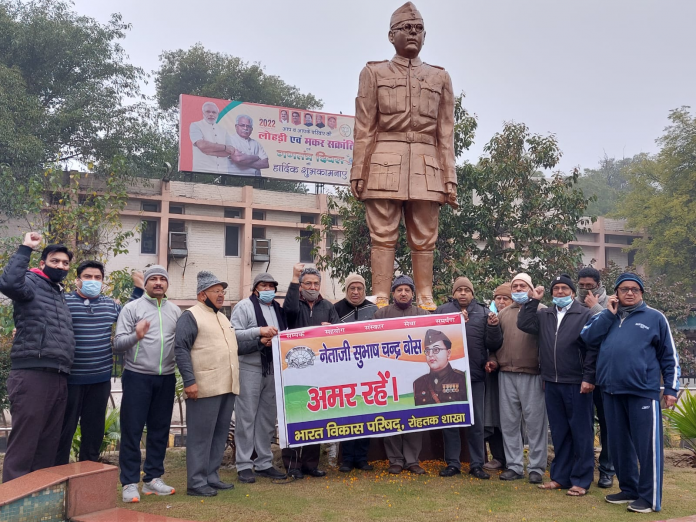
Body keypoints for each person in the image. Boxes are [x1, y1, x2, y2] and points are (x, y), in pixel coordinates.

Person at [350, 2, 456, 311]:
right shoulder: (374, 72)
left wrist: (450, 176)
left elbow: (446, 133)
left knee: (425, 235)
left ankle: (424, 293)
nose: (413, 33)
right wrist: (359, 169)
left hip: (427, 163)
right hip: (384, 158)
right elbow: (364, 126)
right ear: (391, 35)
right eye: (406, 29)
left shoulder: (440, 77)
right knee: (382, 233)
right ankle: (381, 293)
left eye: (419, 29)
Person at [581, 272, 680, 514]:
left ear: (641, 293)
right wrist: (607, 313)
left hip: (643, 392)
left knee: (647, 448)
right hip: (611, 391)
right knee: (618, 444)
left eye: (634, 289)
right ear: (616, 292)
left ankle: (649, 498)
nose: (629, 293)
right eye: (624, 289)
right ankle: (629, 489)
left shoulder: (655, 318)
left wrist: (671, 389)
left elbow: (670, 357)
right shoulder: (608, 317)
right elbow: (586, 337)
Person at [0, 233, 75, 482]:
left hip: (58, 375)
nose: (60, 267)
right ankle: (11, 505)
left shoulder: (59, 294)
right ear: (42, 263)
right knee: (25, 444)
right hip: (32, 373)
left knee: (47, 444)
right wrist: (25, 248)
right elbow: (9, 283)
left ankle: (40, 504)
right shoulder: (31, 282)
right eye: (55, 261)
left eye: (65, 263)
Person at [55, 261, 144, 466]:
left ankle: (89, 474)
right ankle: (58, 474)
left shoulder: (109, 304)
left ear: (103, 281)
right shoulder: (64, 301)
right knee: (63, 431)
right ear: (77, 280)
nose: (92, 281)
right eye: (87, 277)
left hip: (100, 379)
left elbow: (129, 314)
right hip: (70, 378)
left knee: (93, 431)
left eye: (97, 278)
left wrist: (139, 288)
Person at [517, 274, 596, 497]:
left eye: (564, 289)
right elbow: (523, 323)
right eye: (556, 289)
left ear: (572, 292)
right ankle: (560, 477)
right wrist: (533, 300)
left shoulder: (585, 314)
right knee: (560, 433)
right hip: (551, 381)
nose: (560, 292)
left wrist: (589, 377)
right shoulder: (545, 314)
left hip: (577, 382)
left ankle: (581, 480)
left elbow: (592, 349)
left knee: (581, 433)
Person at [114, 265, 181, 503]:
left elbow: (181, 344)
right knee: (132, 430)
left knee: (160, 430)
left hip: (166, 377)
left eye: (163, 279)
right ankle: (130, 483)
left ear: (167, 284)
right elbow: (118, 343)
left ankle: (153, 479)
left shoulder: (175, 310)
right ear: (146, 283)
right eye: (154, 279)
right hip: (137, 376)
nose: (159, 283)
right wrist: (137, 336)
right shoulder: (132, 308)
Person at [174, 272, 239, 497]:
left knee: (219, 434)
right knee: (200, 436)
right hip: (204, 386)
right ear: (202, 295)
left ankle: (211, 476)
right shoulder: (190, 316)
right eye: (216, 291)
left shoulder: (222, 317)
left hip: (226, 385)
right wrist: (189, 381)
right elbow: (181, 349)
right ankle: (196, 482)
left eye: (222, 291)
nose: (221, 295)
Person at [432, 277, 501, 480]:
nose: (463, 293)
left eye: (466, 290)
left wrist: (494, 326)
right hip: (448, 376)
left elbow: (493, 343)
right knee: (451, 420)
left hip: (475, 375)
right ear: (453, 294)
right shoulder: (442, 311)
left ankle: (477, 464)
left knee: (476, 422)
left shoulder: (483, 312)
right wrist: (454, 321)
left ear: (472, 293)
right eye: (459, 290)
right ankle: (453, 463)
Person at [489, 273, 548, 484]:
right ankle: (514, 465)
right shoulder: (502, 314)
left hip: (533, 373)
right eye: (515, 286)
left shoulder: (542, 312)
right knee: (509, 423)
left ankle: (536, 467)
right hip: (506, 374)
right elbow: (494, 344)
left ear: (531, 289)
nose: (519, 289)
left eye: (523, 286)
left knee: (535, 424)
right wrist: (494, 360)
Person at [281, 264, 339, 478]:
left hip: (319, 371)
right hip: (294, 369)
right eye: (308, 283)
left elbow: (339, 332)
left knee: (316, 414)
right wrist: (294, 280)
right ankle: (292, 465)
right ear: (301, 285)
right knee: (295, 415)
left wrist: (330, 330)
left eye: (316, 283)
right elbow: (288, 312)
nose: (312, 287)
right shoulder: (294, 303)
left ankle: (310, 464)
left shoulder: (327, 306)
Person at [231, 273, 288, 483]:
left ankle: (264, 462)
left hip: (273, 368)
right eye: (263, 286)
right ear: (255, 289)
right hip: (249, 367)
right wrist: (259, 332)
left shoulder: (277, 309)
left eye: (271, 286)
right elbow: (233, 333)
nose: (267, 289)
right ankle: (244, 464)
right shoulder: (244, 306)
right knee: (246, 417)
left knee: (266, 418)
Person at [373, 274, 430, 474]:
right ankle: (395, 459)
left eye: (407, 290)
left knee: (415, 417)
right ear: (393, 293)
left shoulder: (423, 315)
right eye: (399, 290)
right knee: (392, 417)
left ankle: (412, 460)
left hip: (416, 376)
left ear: (413, 294)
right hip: (389, 377)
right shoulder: (381, 315)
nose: (403, 293)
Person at [334, 274, 378, 473]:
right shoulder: (335, 309)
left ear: (364, 290)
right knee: (347, 414)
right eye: (352, 288)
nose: (355, 292)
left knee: (365, 414)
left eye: (359, 288)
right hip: (345, 370)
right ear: (346, 290)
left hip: (368, 370)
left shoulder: (374, 309)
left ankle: (361, 458)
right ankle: (346, 459)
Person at [576, 266, 614, 488]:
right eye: (581, 286)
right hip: (580, 375)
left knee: (608, 425)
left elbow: (612, 331)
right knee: (583, 425)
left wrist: (596, 308)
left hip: (606, 375)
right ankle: (583, 467)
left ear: (598, 285)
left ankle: (608, 469)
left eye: (588, 286)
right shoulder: (573, 304)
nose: (584, 290)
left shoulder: (611, 302)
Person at [483, 283, 512, 471]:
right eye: (498, 298)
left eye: (505, 298)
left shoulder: (518, 317)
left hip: (513, 373)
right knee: (493, 415)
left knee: (510, 417)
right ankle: (498, 456)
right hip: (491, 374)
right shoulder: (487, 317)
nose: (501, 302)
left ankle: (512, 458)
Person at [189, 101, 236, 174]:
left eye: (214, 112)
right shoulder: (195, 125)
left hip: (222, 171)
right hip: (201, 170)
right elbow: (201, 145)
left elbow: (230, 151)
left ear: (217, 114)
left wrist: (207, 151)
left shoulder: (223, 130)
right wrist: (225, 147)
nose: (211, 114)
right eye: (208, 111)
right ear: (203, 113)